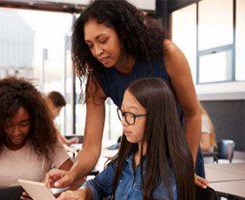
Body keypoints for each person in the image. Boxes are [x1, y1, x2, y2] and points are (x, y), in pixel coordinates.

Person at [45, 0, 208, 189]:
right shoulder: (97, 79)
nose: (97, 51)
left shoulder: (167, 54)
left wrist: (185, 168)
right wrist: (71, 175)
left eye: (103, 40)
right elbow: (90, 147)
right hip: (140, 163)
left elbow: (193, 114)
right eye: (90, 45)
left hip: (181, 155)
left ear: (122, 33)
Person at [51, 78, 196, 200]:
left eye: (131, 115)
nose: (124, 121)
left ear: (155, 118)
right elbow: (98, 185)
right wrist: (81, 193)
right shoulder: (125, 159)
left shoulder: (169, 171)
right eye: (123, 113)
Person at [0, 76, 84, 200]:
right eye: (8, 124)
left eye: (24, 124)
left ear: (34, 120)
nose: (16, 132)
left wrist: (48, 198)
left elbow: (80, 183)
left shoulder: (47, 143)